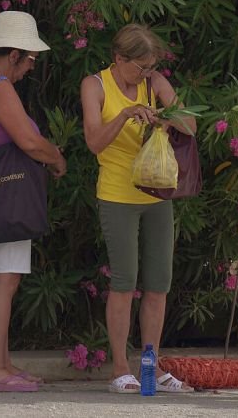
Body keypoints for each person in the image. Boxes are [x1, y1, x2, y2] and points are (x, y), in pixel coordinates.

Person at [80, 24, 195, 394]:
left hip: (157, 193)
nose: (144, 75)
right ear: (119, 58)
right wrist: (127, 113)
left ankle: (152, 366)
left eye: (150, 69)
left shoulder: (154, 81)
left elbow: (190, 124)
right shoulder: (94, 85)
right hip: (117, 194)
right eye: (139, 68)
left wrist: (164, 116)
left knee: (158, 283)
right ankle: (119, 368)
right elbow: (95, 142)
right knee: (124, 283)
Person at [0, 12, 66, 393]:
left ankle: (2, 362)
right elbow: (27, 140)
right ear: (13, 55)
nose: (30, 68)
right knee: (3, 282)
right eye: (30, 60)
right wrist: (56, 158)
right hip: (6, 196)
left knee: (0, 279)